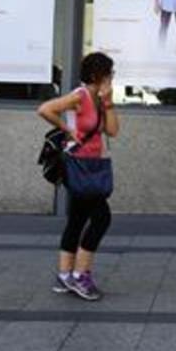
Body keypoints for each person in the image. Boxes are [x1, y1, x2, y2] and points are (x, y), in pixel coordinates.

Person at [37, 52, 120, 301]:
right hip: (79, 167)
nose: (112, 78)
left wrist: (108, 103)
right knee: (102, 218)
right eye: (109, 73)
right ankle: (80, 275)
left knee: (77, 218)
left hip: (94, 164)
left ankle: (64, 275)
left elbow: (113, 131)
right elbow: (45, 109)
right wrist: (66, 129)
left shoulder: (98, 99)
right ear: (98, 75)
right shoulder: (80, 96)